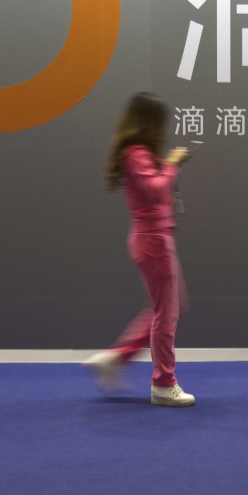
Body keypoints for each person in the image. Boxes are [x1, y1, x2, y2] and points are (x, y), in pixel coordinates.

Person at [83, 92, 195, 407]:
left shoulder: (138, 153)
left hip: (155, 239)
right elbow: (156, 190)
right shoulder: (135, 153)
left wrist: (166, 163)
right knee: (166, 313)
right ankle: (163, 383)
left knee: (168, 308)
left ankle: (115, 358)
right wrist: (171, 165)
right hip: (153, 241)